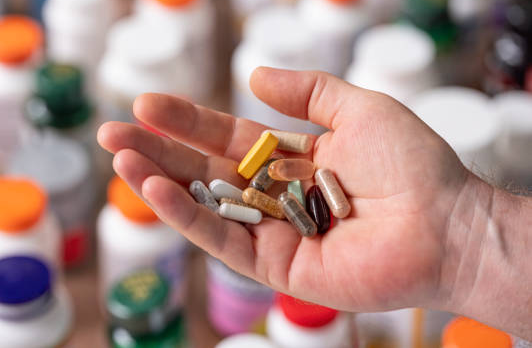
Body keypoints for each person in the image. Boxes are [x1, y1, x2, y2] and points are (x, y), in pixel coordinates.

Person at [98, 67, 532, 341]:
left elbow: (314, 201)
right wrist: (473, 242)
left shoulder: (308, 187)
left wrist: (467, 234)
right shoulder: (269, 188)